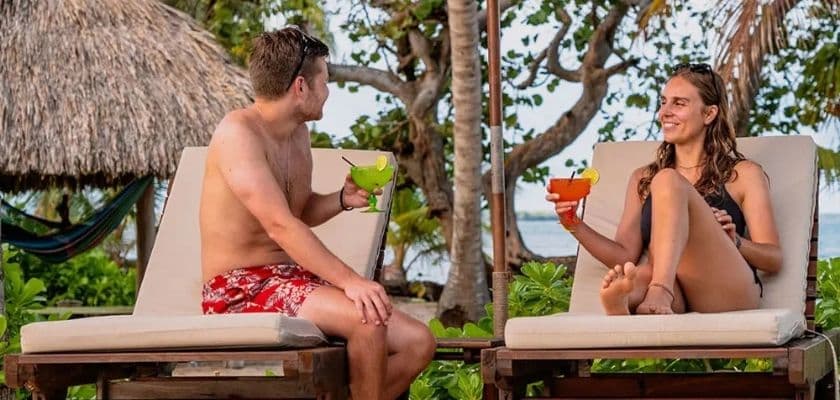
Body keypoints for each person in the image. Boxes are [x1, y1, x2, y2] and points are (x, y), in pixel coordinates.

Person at [199, 27, 435, 399]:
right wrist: (351, 281)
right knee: (367, 316)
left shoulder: (298, 135)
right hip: (239, 288)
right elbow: (280, 226)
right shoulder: (237, 133)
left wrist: (341, 198)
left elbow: (300, 209)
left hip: (290, 279)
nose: (328, 92)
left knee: (418, 342)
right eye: (324, 81)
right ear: (300, 87)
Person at [546, 63, 782, 315]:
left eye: (678, 104)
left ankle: (656, 290)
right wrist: (573, 223)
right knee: (638, 274)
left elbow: (773, 259)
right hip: (675, 293)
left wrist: (734, 240)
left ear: (709, 113)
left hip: (725, 291)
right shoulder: (643, 179)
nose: (664, 112)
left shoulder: (743, 174)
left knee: (667, 180)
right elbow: (624, 255)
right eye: (663, 102)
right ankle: (625, 300)